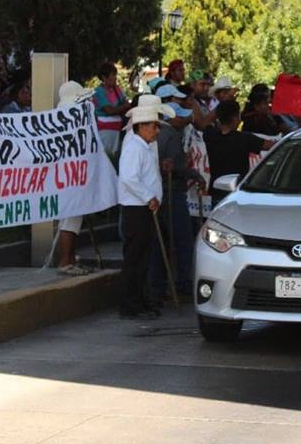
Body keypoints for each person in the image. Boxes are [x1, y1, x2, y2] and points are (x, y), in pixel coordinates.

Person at [117, 96, 174, 319]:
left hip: (147, 206)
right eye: (153, 126)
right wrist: (149, 196)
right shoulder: (133, 146)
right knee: (135, 258)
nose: (157, 131)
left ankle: (141, 300)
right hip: (137, 208)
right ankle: (130, 304)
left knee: (144, 258)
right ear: (141, 126)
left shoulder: (146, 145)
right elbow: (129, 179)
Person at [150, 90, 205, 301]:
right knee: (183, 241)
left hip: (157, 194)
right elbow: (178, 167)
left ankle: (158, 286)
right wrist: (195, 175)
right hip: (171, 192)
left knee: (159, 242)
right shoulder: (169, 135)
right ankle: (183, 283)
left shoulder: (136, 135)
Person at [55, 81, 100, 276]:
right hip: (68, 178)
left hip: (74, 176)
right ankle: (65, 262)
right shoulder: (67, 121)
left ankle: (70, 259)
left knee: (74, 221)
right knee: (70, 222)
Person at [205, 101, 275, 206]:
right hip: (237, 194)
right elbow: (271, 145)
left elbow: (207, 121)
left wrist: (221, 108)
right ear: (235, 118)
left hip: (217, 193)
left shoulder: (210, 135)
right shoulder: (245, 138)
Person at [93, 62, 130, 157]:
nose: (115, 78)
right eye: (112, 75)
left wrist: (121, 107)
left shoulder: (117, 89)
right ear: (104, 77)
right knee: (106, 156)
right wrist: (124, 106)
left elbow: (124, 105)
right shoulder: (98, 92)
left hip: (117, 129)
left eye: (115, 75)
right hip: (105, 131)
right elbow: (109, 111)